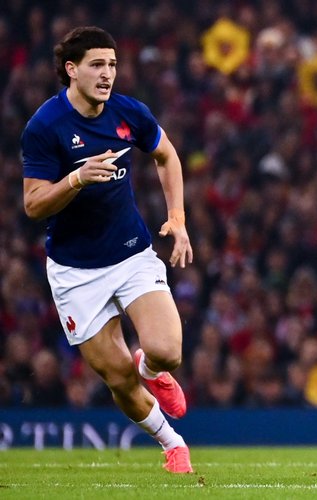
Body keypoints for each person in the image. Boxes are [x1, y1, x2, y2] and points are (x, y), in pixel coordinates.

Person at [21, 26, 193, 473]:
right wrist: (76, 179)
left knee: (167, 351)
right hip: (75, 271)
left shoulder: (128, 112)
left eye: (112, 65)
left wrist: (177, 218)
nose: (107, 74)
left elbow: (167, 155)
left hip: (130, 253)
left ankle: (152, 370)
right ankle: (173, 444)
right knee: (117, 377)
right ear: (71, 70)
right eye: (97, 65)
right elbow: (33, 204)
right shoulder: (45, 126)